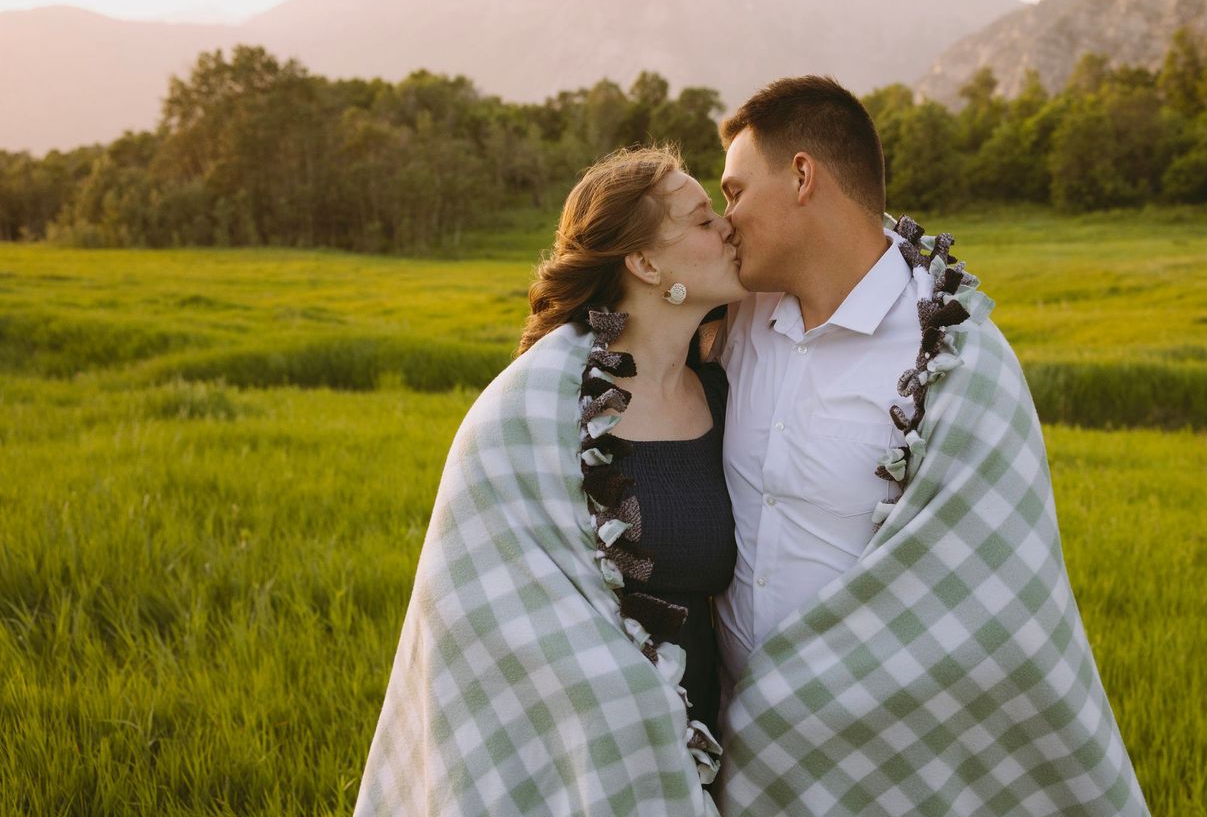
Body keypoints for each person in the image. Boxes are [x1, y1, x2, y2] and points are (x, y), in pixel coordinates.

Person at [711, 76, 1150, 815]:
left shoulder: (956, 357)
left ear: (801, 176)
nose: (725, 219)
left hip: (882, 762)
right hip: (730, 763)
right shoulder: (731, 324)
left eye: (733, 192)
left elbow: (988, 597)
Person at [354, 146, 744, 816]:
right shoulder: (536, 412)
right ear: (646, 265)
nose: (727, 227)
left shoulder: (726, 387)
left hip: (714, 721)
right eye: (702, 218)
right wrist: (629, 711)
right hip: (590, 740)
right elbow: (487, 612)